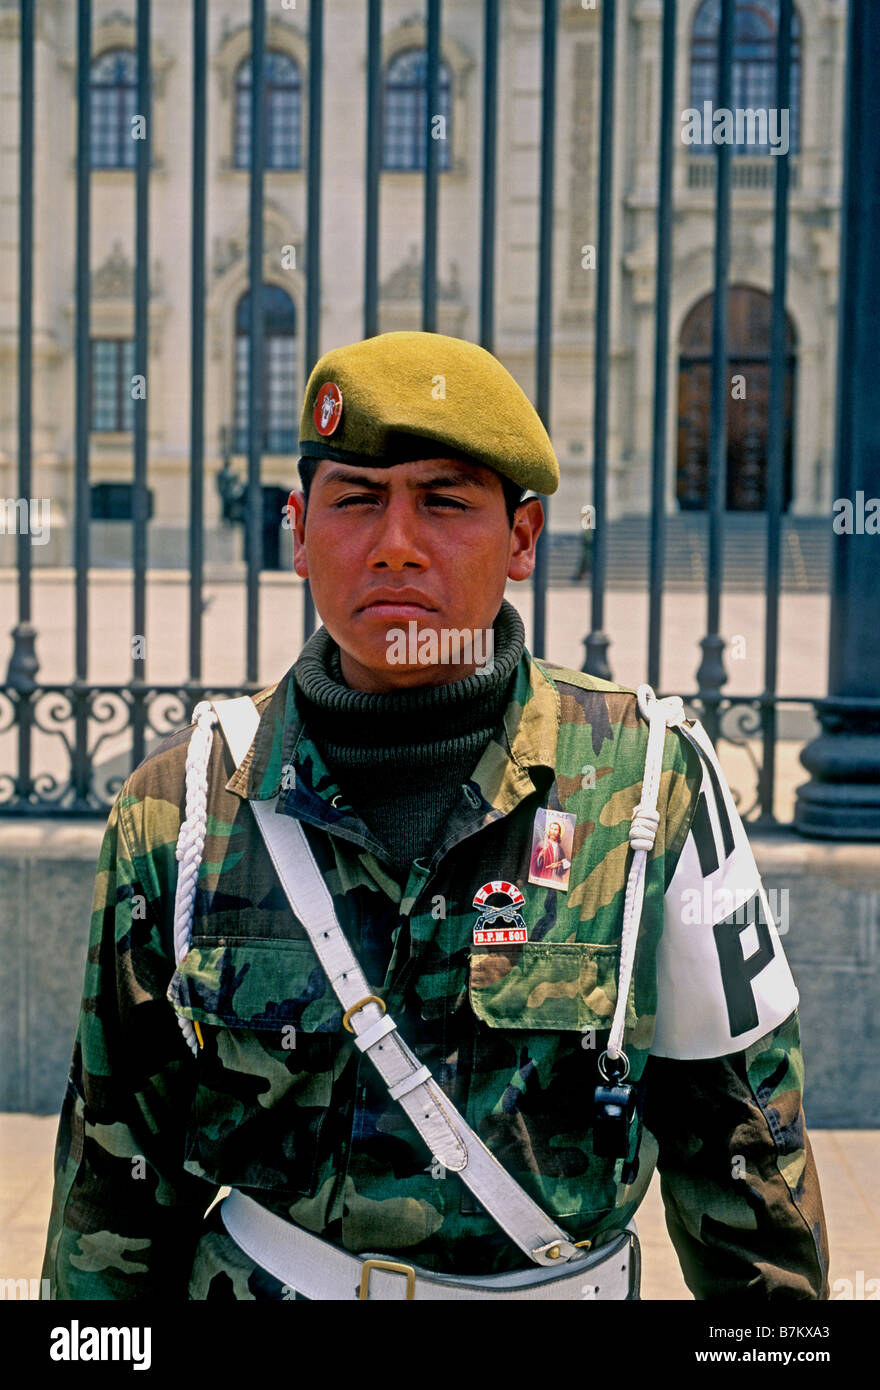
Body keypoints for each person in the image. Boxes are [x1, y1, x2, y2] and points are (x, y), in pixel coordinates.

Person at [42, 331, 828, 1301]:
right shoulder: (182, 808)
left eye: (445, 501)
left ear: (524, 538)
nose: (397, 542)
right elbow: (113, 1190)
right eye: (357, 500)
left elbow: (749, 1166)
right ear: (297, 530)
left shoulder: (651, 786)